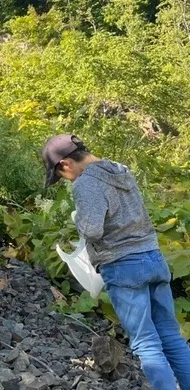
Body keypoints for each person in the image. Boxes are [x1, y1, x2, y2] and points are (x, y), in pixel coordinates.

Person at [42, 134, 190, 390]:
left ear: (65, 164)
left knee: (146, 343)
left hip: (123, 266)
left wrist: (76, 217)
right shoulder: (120, 170)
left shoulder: (86, 183)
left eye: (60, 175)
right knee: (171, 337)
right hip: (153, 258)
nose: (66, 180)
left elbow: (92, 230)